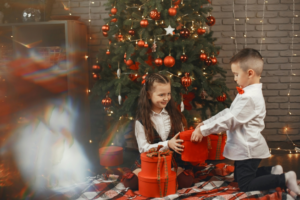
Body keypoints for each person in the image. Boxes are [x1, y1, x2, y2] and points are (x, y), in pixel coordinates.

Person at [191, 48, 300, 196]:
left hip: (248, 149)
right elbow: (229, 112)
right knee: (240, 176)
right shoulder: (247, 93)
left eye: (236, 74)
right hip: (245, 146)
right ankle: (272, 171)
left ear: (250, 73)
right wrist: (205, 123)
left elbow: (230, 120)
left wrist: (204, 131)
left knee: (245, 184)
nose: (235, 78)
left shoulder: (249, 97)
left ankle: (285, 179)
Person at [133, 73, 193, 189]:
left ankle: (162, 177)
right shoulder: (141, 121)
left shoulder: (175, 116)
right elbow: (143, 148)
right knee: (132, 183)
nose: (166, 98)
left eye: (168, 94)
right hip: (151, 162)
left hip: (172, 162)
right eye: (161, 95)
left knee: (186, 181)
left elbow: (182, 139)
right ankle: (156, 177)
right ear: (149, 95)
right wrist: (167, 144)